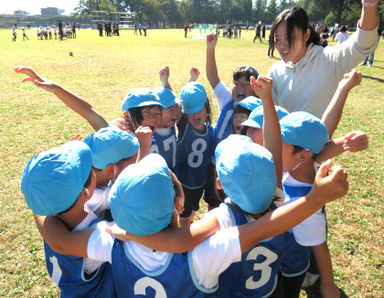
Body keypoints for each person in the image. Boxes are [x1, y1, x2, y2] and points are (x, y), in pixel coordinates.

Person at [34, 148, 349, 297]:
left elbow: (60, 240)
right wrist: (314, 199)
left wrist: (41, 204)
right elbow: (263, 228)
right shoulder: (202, 257)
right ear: (179, 203)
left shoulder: (109, 239)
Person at [20, 141, 115, 297]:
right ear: (85, 194)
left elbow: (43, 190)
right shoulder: (99, 232)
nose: (93, 171)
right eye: (91, 170)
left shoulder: (46, 213)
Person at [268, 3, 379, 118]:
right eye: (277, 38)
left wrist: (369, 5)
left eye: (289, 38)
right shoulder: (275, 72)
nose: (282, 46)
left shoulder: (328, 60)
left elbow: (363, 43)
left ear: (306, 35)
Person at [177, 77, 218, 226]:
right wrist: (190, 80)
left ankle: (190, 223)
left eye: (199, 109)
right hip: (185, 185)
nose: (195, 114)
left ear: (207, 110)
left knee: (194, 207)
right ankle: (184, 235)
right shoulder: (184, 127)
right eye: (190, 111)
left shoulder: (211, 131)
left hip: (200, 183)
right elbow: (178, 104)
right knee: (184, 214)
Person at [206, 32, 259, 146]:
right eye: (236, 83)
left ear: (256, 89)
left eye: (246, 84)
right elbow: (212, 76)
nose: (240, 87)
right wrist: (210, 49)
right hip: (217, 160)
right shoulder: (227, 99)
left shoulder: (259, 110)